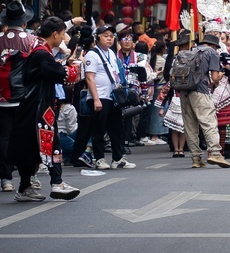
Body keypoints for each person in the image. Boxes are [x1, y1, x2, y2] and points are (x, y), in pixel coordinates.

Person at [9, 17, 83, 201]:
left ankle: (25, 186)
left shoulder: (39, 48)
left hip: (32, 107)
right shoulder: (42, 54)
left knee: (32, 146)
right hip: (39, 108)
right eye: (63, 33)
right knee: (51, 143)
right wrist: (73, 67)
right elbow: (62, 75)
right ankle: (57, 183)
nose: (64, 37)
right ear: (55, 34)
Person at [0, 0, 36, 192]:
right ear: (24, 22)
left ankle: (5, 178)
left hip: (0, 97)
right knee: (26, 136)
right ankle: (28, 176)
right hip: (24, 96)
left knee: (3, 138)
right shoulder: (32, 40)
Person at [76, 24, 135, 170]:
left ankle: (118, 158)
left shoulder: (112, 54)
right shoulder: (92, 54)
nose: (109, 39)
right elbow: (90, 78)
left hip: (112, 97)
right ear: (97, 38)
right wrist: (95, 99)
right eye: (105, 36)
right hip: (99, 96)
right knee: (99, 129)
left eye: (111, 36)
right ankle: (99, 158)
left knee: (116, 128)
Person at [179, 33, 230, 169]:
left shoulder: (191, 51)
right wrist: (221, 73)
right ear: (214, 45)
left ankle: (196, 159)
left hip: (184, 91)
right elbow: (214, 78)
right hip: (200, 91)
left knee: (190, 126)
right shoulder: (212, 53)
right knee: (209, 123)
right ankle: (215, 153)